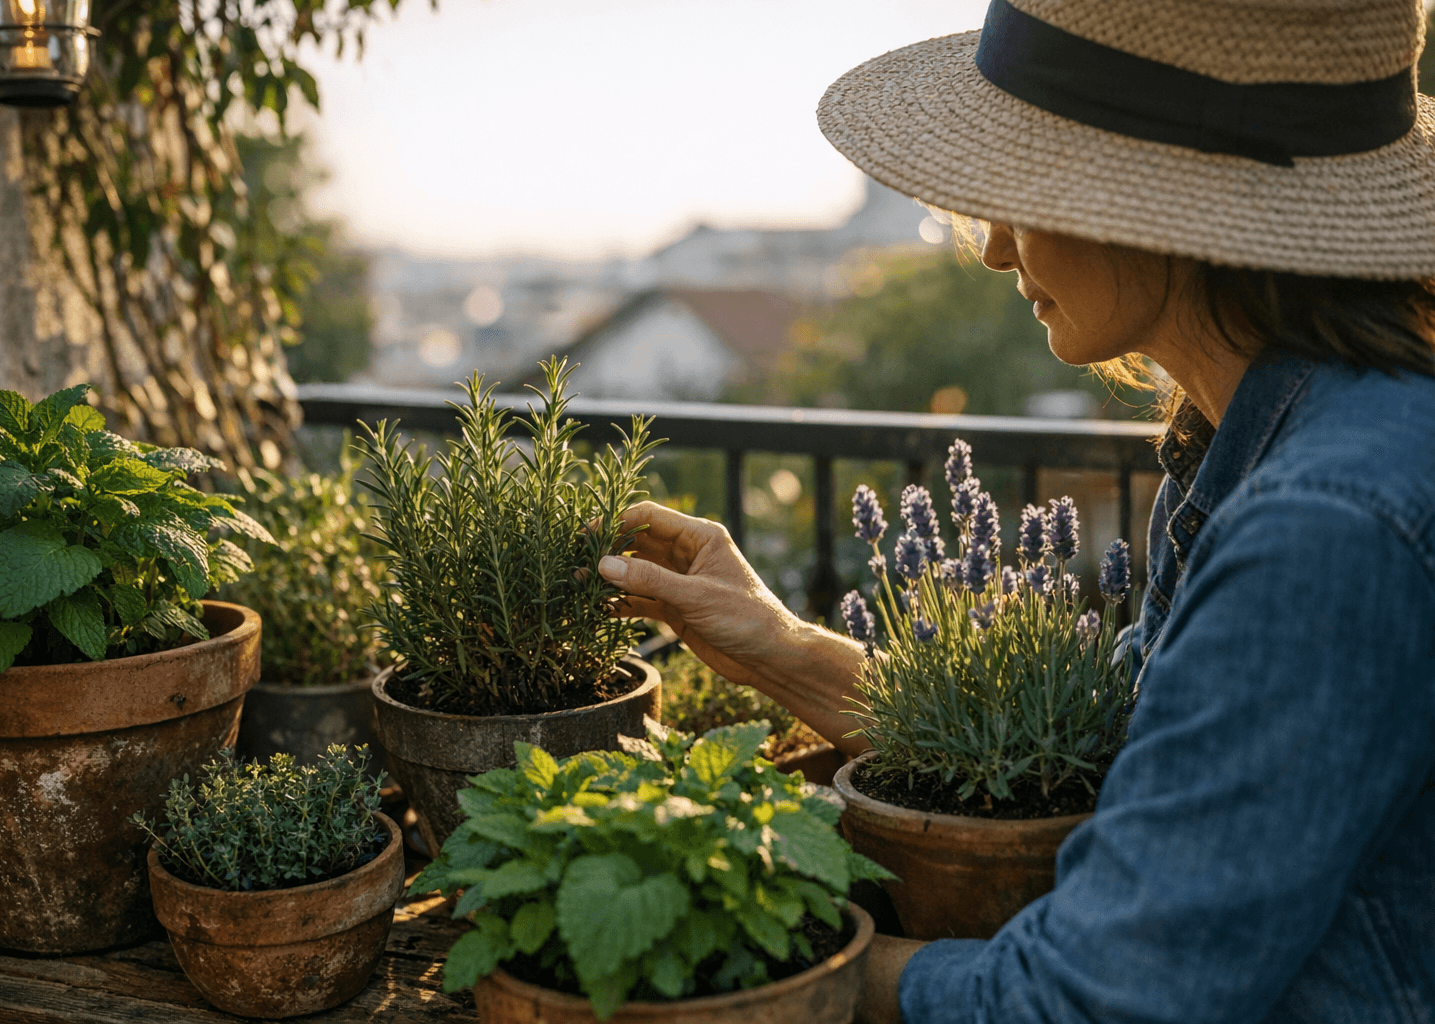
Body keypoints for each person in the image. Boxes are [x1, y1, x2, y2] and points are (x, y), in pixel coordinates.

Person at [596, 1, 1435, 1021]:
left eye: (1021, 188)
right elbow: (1110, 764)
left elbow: (1090, 999)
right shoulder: (1255, 442)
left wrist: (767, 949)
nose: (993, 247)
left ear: (1154, 199)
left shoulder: (1322, 526)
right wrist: (779, 646)